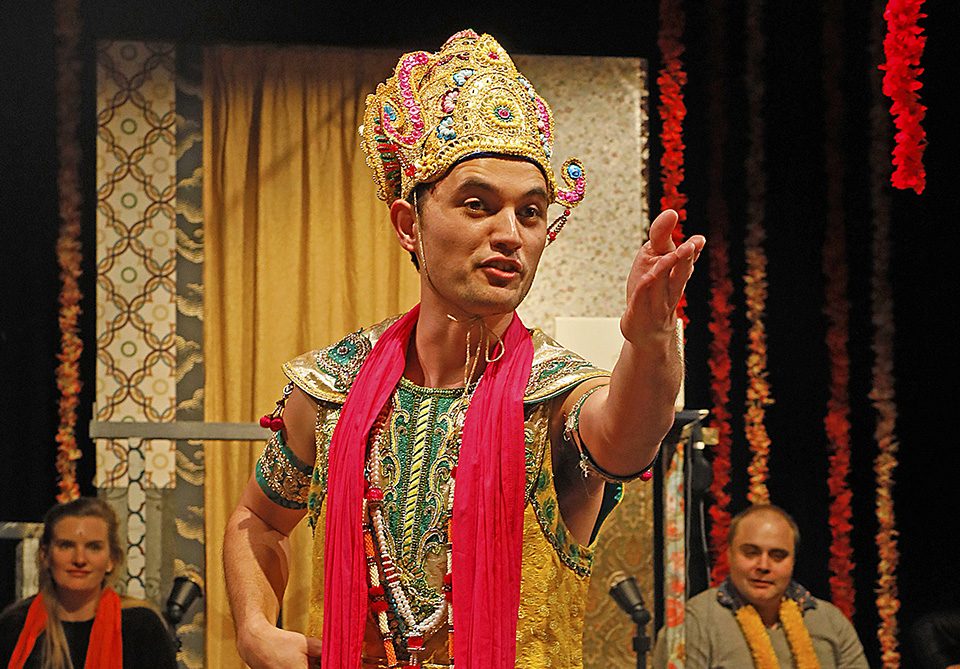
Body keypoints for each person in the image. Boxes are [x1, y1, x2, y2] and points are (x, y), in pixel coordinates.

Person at [223, 29, 705, 669]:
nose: (509, 233)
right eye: (478, 205)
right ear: (408, 224)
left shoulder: (555, 399)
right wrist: (256, 630)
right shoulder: (330, 389)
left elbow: (631, 432)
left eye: (531, 213)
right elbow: (256, 521)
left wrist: (650, 342)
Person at [654, 504, 868, 668]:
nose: (763, 566)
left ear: (793, 560)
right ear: (728, 554)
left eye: (778, 556)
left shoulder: (829, 621)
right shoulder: (695, 622)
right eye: (751, 552)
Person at [0, 497, 178, 669]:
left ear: (111, 559)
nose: (79, 559)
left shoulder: (141, 627)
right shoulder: (14, 626)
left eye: (93, 547)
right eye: (66, 546)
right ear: (45, 555)